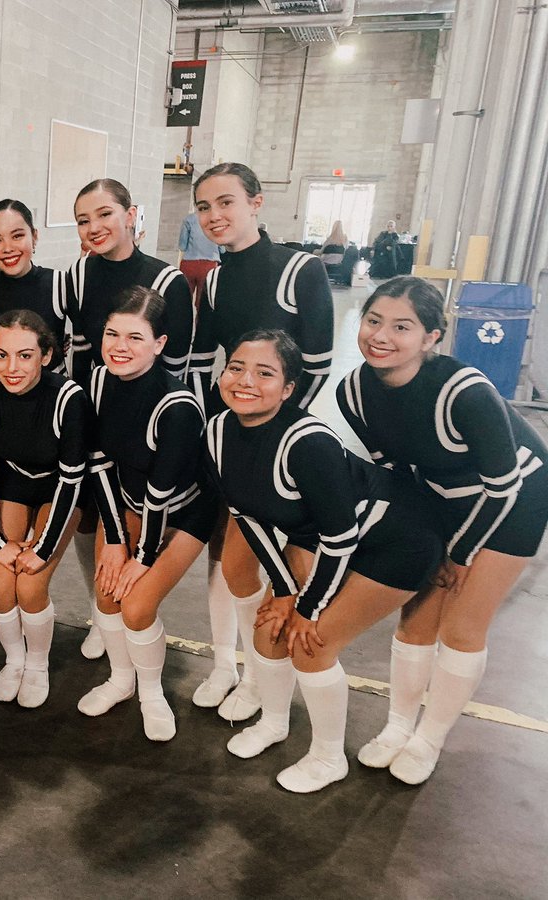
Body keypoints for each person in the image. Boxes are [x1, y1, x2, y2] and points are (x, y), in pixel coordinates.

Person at [207, 330, 443, 792]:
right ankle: (275, 722)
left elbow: (340, 537)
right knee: (269, 626)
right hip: (328, 535)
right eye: (236, 367)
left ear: (289, 388)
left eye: (265, 373)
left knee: (310, 643)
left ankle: (327, 757)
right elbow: (246, 515)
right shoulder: (218, 431)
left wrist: (307, 606)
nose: (245, 380)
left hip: (397, 541)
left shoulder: (308, 443)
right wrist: (282, 591)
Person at [337, 276, 548, 784]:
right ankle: (397, 728)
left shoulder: (465, 391)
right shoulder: (354, 392)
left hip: (516, 498)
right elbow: (397, 474)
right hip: (442, 497)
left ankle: (429, 739)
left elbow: (501, 487)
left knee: (461, 625)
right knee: (417, 617)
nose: (381, 335)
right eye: (373, 320)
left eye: (402, 327)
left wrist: (458, 554)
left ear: (432, 337)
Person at [188, 162, 335, 725]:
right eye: (204, 207)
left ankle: (264, 672)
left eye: (225, 202)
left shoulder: (301, 269)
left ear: (256, 202)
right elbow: (208, 360)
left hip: (281, 441)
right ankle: (227, 663)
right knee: (227, 554)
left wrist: (275, 430)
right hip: (231, 433)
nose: (214, 216)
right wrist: (216, 423)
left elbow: (316, 364)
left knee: (284, 564)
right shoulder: (218, 279)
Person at [68, 178, 195, 662]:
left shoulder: (166, 281)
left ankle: (124, 608)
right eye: (84, 219)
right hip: (95, 413)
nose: (95, 227)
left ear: (130, 213)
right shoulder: (80, 274)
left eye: (104, 214)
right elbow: (78, 350)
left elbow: (175, 366)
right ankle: (102, 615)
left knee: (135, 527)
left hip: (145, 426)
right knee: (88, 522)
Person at [83, 286, 216, 740]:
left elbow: (162, 494)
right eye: (112, 334)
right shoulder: (100, 379)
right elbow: (98, 462)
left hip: (182, 511)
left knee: (136, 606)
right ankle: (121, 679)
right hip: (129, 500)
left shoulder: (177, 405)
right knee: (105, 592)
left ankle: (151, 692)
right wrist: (117, 539)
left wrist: (140, 557)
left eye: (135, 337)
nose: (119, 347)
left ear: (159, 344)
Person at [0, 310, 90, 708]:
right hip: (13, 483)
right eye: (1, 355)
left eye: (25, 356)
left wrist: (43, 548)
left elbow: (71, 480)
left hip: (61, 489)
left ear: (46, 355)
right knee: (0, 590)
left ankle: (37, 662)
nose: (11, 367)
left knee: (31, 585)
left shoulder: (69, 398)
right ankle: (14, 659)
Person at [0, 199, 68, 372]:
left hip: (54, 390)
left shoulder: (59, 282)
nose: (7, 248)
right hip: (7, 387)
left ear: (34, 237)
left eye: (17, 236)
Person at [177, 209, 221, 305]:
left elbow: (182, 246)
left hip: (189, 263)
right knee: (203, 302)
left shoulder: (189, 219)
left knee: (183, 299)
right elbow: (223, 249)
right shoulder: (218, 221)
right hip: (209, 265)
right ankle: (199, 320)